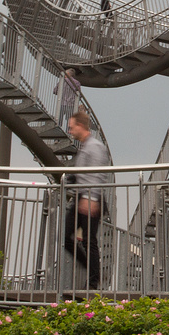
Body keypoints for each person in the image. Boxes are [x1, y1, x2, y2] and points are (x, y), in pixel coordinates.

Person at [62, 111, 108, 290]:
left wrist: (91, 198)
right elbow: (83, 172)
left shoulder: (95, 146)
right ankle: (91, 268)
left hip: (91, 198)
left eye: (72, 127)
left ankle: (93, 281)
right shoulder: (84, 146)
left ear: (81, 126)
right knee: (66, 237)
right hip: (80, 196)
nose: (70, 131)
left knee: (89, 240)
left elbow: (97, 174)